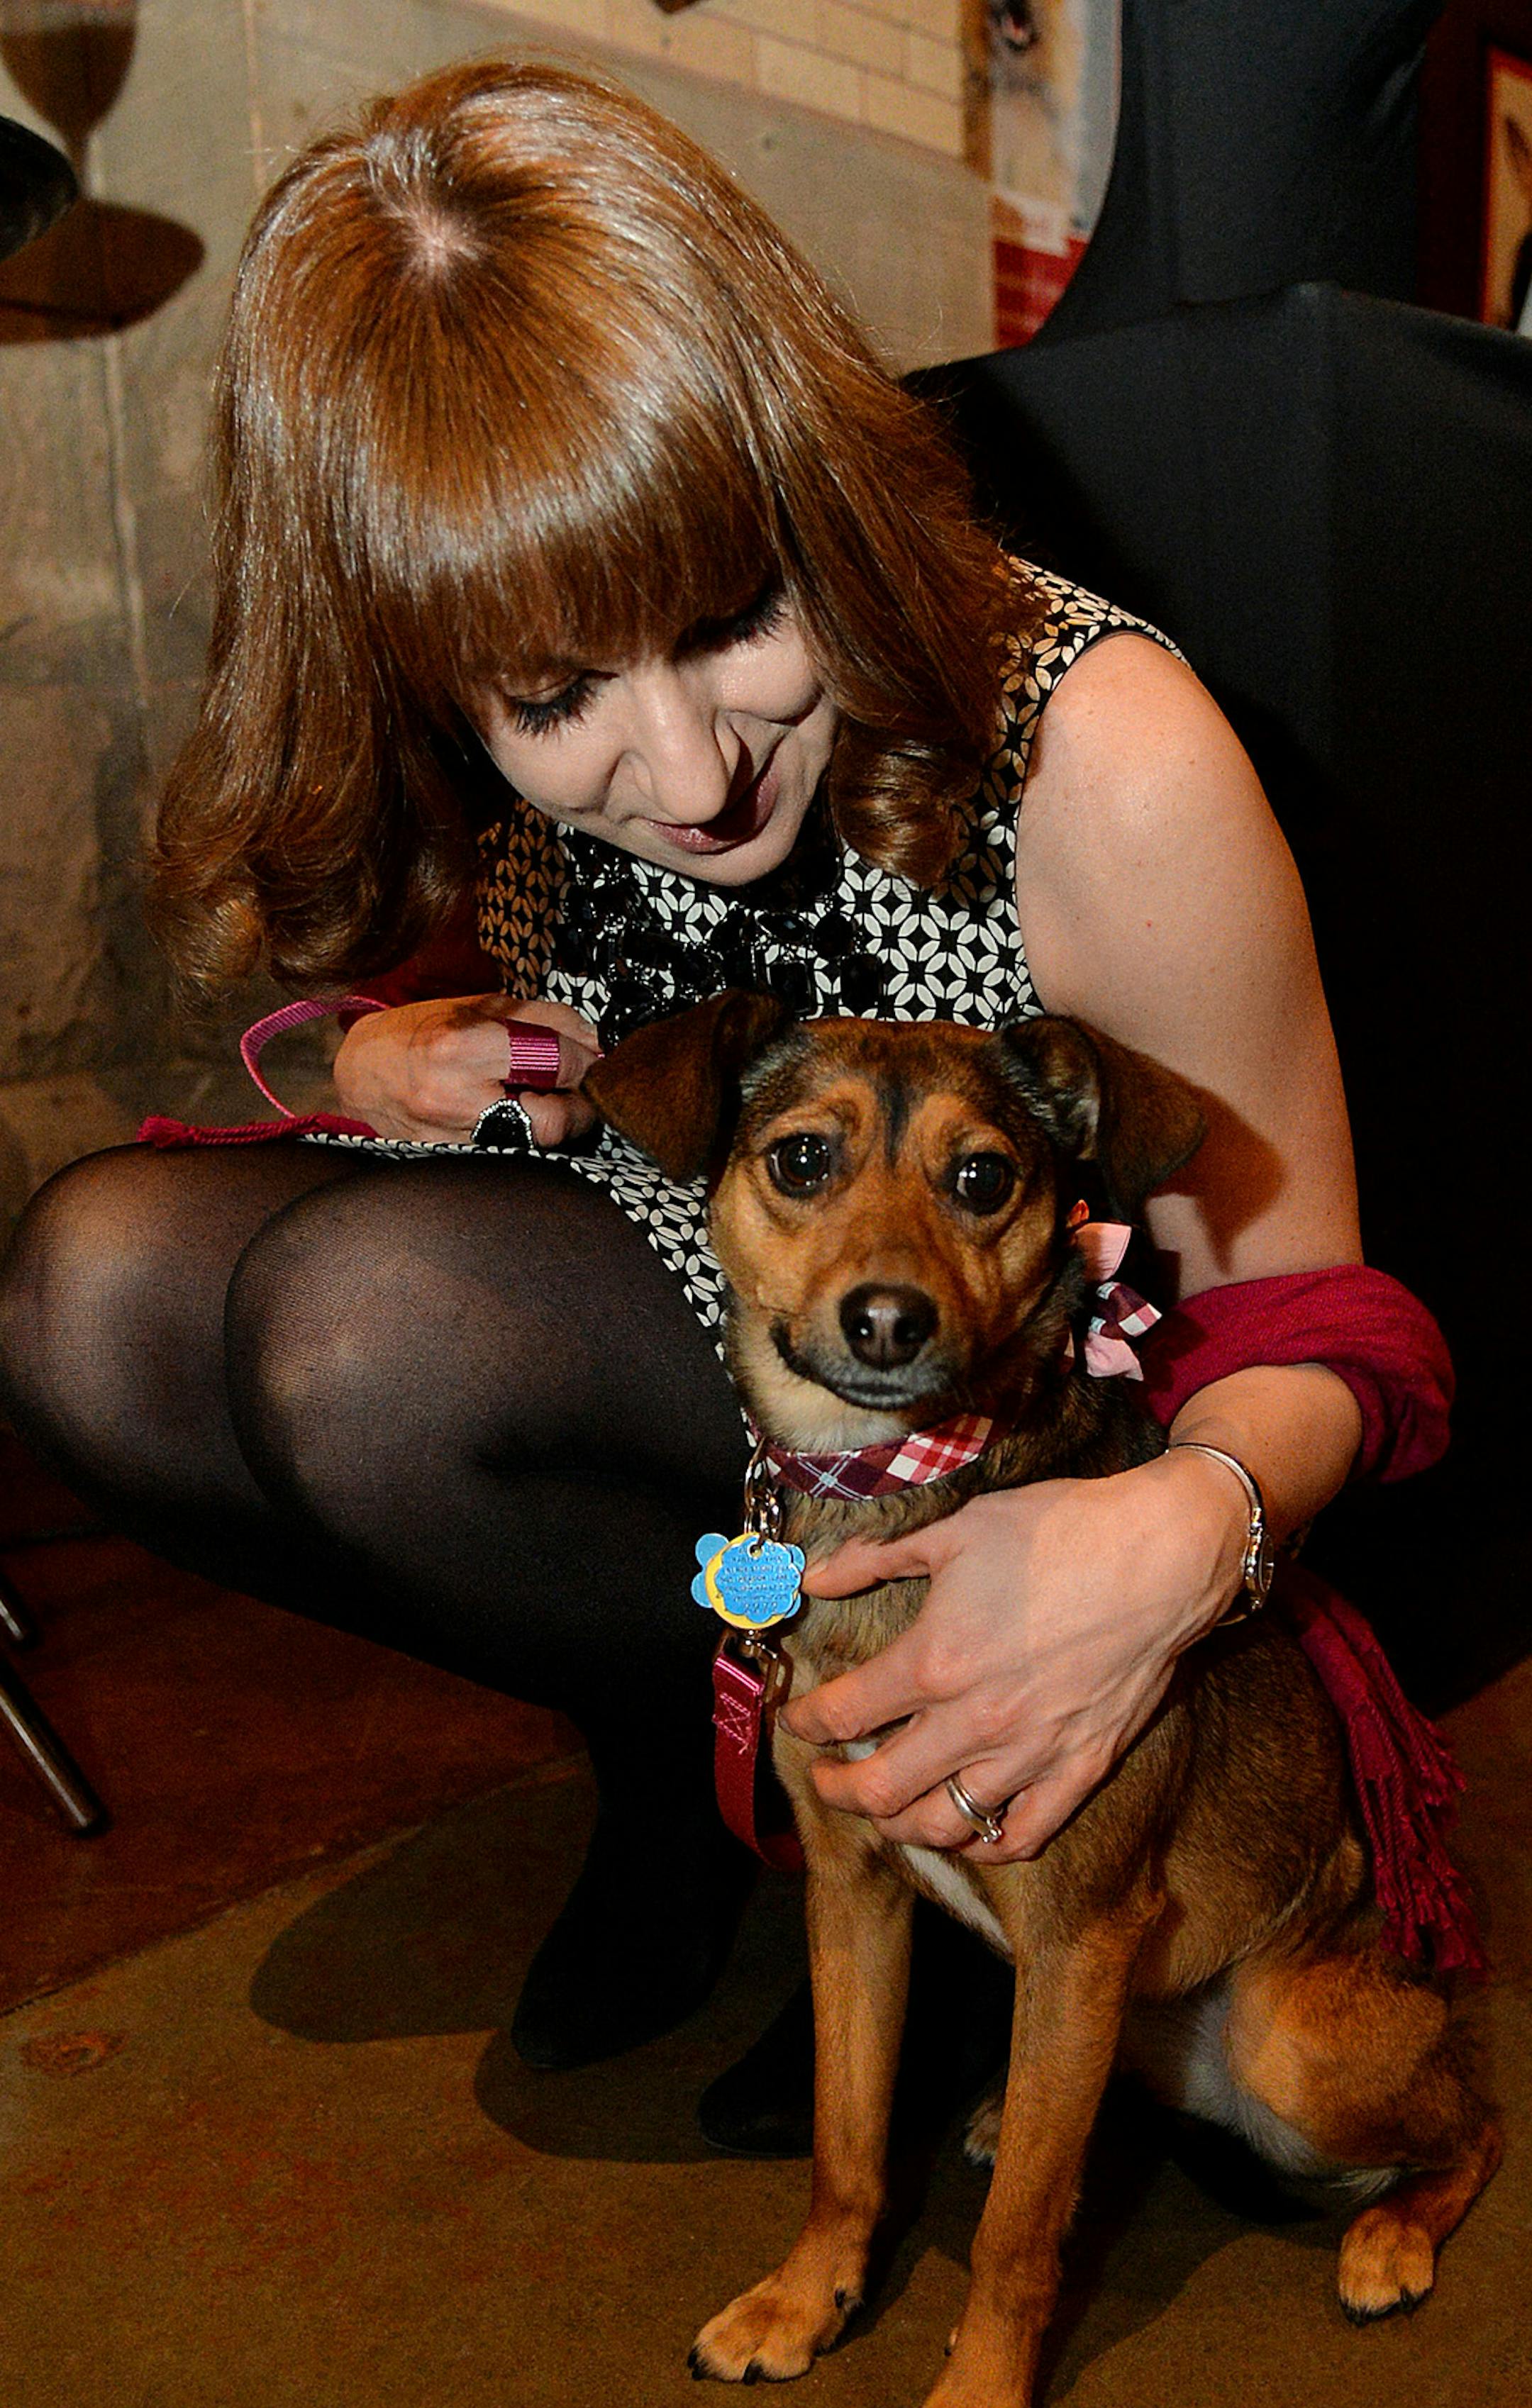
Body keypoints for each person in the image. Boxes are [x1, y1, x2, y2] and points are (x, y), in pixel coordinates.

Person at [0, 59, 1395, 2102]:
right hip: (737, 1382)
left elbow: (1322, 1321)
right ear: (430, 672)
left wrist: (1173, 1538)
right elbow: (485, 1032)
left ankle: (930, 1813)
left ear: (800, 495)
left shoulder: (1105, 749)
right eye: (556, 697)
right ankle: (700, 1756)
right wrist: (400, 1048)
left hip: (1003, 1449)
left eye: (731, 616)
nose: (687, 772)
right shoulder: (511, 780)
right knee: (86, 1296)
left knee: (357, 1335)